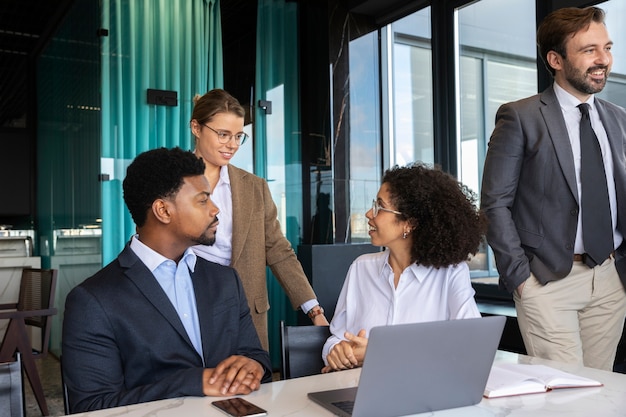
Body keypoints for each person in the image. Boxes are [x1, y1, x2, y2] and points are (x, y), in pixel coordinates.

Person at [62, 147, 272, 412]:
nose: (215, 209)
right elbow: (92, 406)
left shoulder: (225, 280)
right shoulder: (93, 301)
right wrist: (192, 382)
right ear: (163, 210)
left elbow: (255, 356)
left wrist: (253, 365)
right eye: (203, 200)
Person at [481, 6, 626, 371]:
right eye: (589, 50)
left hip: (609, 280)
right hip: (547, 282)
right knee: (564, 398)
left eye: (607, 48)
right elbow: (495, 205)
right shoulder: (520, 117)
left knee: (600, 392)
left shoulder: (619, 119)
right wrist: (520, 279)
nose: (603, 60)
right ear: (555, 59)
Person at [189, 89, 328, 351]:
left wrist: (313, 309)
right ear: (196, 128)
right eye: (223, 134)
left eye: (238, 136)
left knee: (253, 386)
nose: (232, 145)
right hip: (190, 305)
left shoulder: (254, 187)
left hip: (246, 312)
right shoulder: (172, 180)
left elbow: (277, 249)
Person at [322, 163, 486, 372]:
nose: (369, 214)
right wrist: (336, 352)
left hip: (424, 397)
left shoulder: (451, 273)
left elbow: (470, 346)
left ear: (409, 223)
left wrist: (380, 353)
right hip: (359, 392)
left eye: (380, 207)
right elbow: (335, 337)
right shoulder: (361, 269)